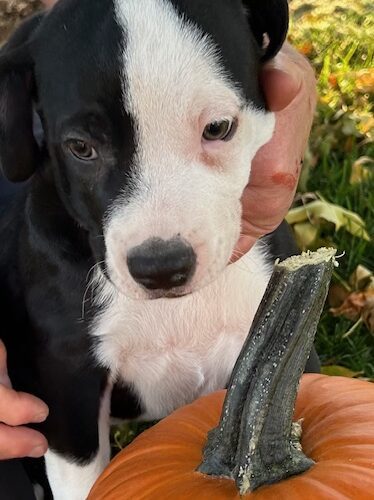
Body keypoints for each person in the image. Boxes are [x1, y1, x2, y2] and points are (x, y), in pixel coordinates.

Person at [0, 1, 317, 495]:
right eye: (85, 146)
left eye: (216, 128)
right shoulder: (57, 247)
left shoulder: (258, 242)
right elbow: (67, 390)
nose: (159, 241)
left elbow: (294, 368)